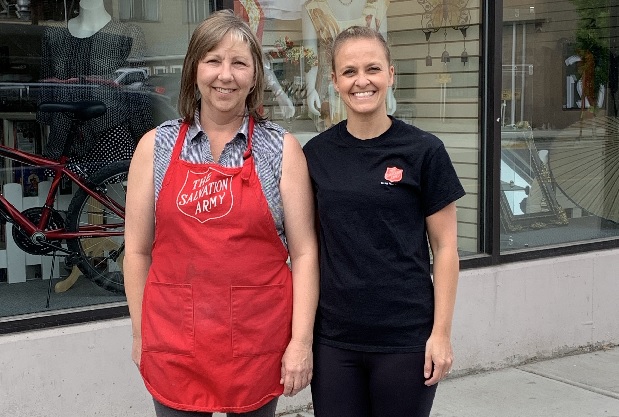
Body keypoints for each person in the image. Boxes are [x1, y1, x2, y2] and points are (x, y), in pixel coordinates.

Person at [124, 10, 318, 416]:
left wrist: (300, 342)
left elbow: (303, 254)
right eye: (212, 60)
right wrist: (142, 333)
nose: (225, 75)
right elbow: (137, 252)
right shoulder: (154, 148)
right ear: (194, 69)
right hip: (174, 341)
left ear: (255, 75)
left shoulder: (281, 151)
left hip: (256, 341)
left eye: (239, 63)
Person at [303, 26, 465, 417]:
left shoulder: (425, 151)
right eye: (349, 71)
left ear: (391, 74)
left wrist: (440, 334)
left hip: (405, 338)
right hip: (334, 340)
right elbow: (305, 250)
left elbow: (445, 249)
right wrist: (301, 337)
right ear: (334, 82)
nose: (362, 81)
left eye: (373, 69)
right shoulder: (316, 154)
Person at [302, 0, 396, 131]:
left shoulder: (378, 4)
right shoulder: (313, 8)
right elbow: (309, 55)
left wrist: (389, 91)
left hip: (371, 90)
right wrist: (310, 89)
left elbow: (384, 55)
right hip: (328, 91)